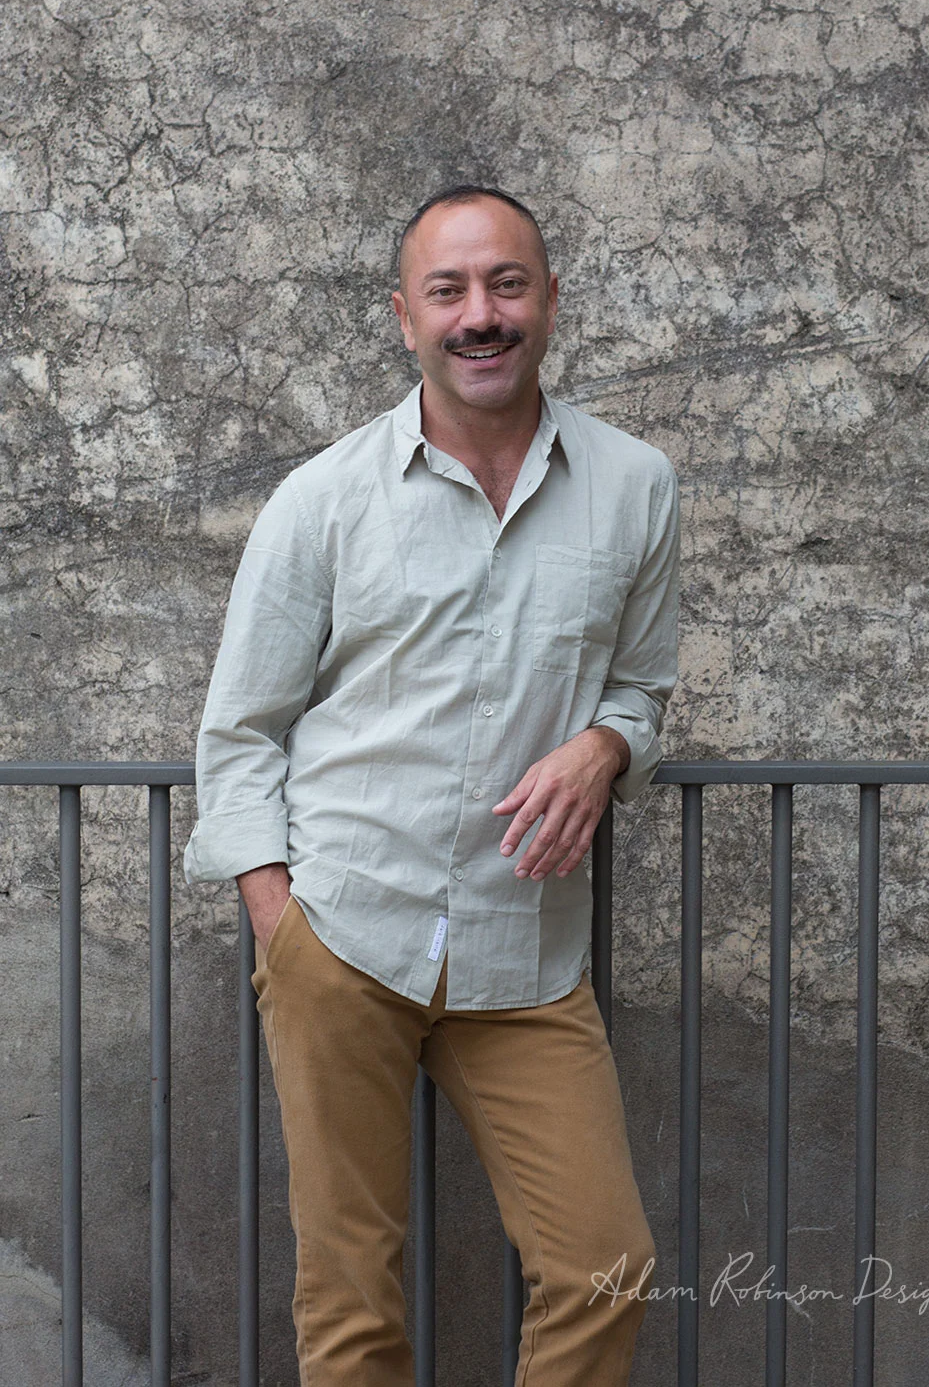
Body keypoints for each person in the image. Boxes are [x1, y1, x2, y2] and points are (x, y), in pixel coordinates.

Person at [183, 184, 680, 1386]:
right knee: (351, 1293)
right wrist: (280, 920)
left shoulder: (634, 485)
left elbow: (641, 686)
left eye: (506, 283)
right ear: (404, 315)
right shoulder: (323, 499)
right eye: (448, 290)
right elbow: (241, 730)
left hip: (525, 950)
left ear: (550, 299)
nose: (480, 315)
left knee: (605, 1265)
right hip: (343, 933)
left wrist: (605, 747)